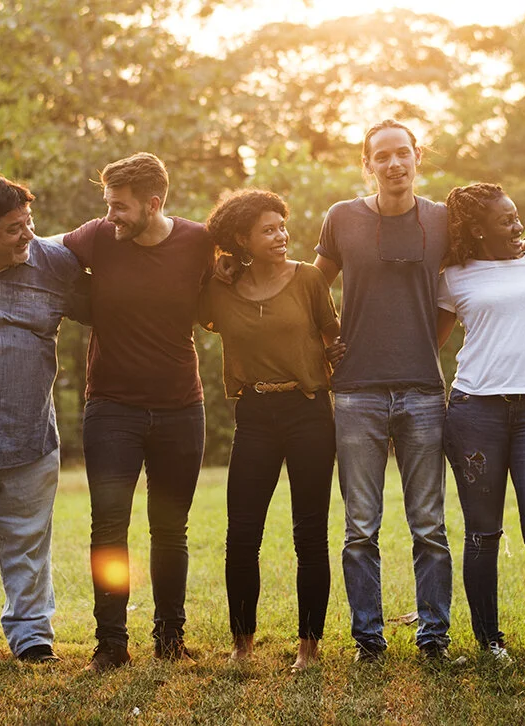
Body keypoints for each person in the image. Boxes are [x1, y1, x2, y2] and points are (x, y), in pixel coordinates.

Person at [312, 120, 525, 662]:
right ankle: (369, 642)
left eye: (403, 153)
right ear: (367, 164)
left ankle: (434, 640)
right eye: (382, 156)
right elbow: (312, 283)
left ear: (417, 157)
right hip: (356, 395)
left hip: (423, 391)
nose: (394, 164)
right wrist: (329, 339)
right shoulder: (342, 218)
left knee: (429, 526)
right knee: (359, 527)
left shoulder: (443, 222)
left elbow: (493, 253)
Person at [58, 152, 215, 671]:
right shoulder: (99, 237)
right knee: (109, 529)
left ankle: (170, 639)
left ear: (154, 203)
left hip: (180, 408)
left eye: (120, 206)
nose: (111, 215)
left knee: (171, 529)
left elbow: (231, 283)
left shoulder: (196, 242)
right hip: (111, 409)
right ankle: (111, 644)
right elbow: (41, 253)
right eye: (107, 205)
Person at [437, 183, 525, 669]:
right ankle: (489, 642)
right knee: (483, 532)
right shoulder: (452, 276)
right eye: (507, 220)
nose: (519, 226)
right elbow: (430, 343)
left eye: (519, 217)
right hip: (476, 409)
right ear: (477, 229)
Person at [200, 190, 339, 670]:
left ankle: (309, 646)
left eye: (282, 226)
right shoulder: (218, 288)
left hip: (308, 411)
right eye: (268, 229)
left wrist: (335, 361)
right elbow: (185, 271)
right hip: (255, 413)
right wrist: (216, 262)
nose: (281, 236)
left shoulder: (309, 278)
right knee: (241, 533)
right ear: (243, 238)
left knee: (310, 533)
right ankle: (242, 643)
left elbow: (333, 336)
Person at [0, 176, 81, 663]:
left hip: (28, 435)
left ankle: (32, 637)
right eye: (14, 229)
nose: (27, 235)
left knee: (28, 547)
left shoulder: (54, 264)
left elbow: (115, 300)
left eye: (29, 223)